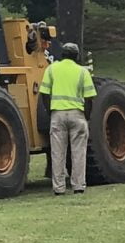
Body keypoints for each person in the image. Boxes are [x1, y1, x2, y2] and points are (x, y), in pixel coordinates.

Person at [40, 42, 98, 195]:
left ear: (62, 54)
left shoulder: (51, 69)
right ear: (76, 56)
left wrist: (50, 111)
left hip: (57, 114)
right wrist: (86, 117)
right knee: (78, 152)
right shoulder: (82, 72)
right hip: (77, 114)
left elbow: (44, 93)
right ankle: (78, 186)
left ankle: (59, 188)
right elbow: (89, 98)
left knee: (57, 153)